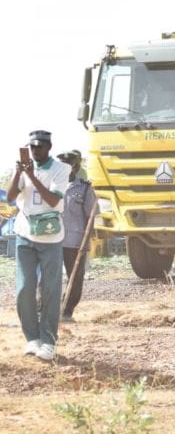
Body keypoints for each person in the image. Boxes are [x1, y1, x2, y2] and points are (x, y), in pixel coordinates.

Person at [7, 130, 70, 361]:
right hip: (25, 234)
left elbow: (53, 200)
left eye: (39, 147)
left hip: (51, 237)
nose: (35, 151)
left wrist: (32, 177)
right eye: (32, 147)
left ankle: (48, 341)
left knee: (50, 290)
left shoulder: (61, 169)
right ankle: (32, 339)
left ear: (49, 147)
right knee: (24, 289)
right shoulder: (24, 168)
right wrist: (18, 174)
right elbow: (10, 198)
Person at [57, 150, 97, 322]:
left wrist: (86, 242)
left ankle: (66, 311)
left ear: (76, 167)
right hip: (52, 239)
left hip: (75, 241)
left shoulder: (85, 188)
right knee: (47, 275)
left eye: (69, 166)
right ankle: (41, 309)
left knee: (75, 277)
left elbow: (91, 216)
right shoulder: (50, 185)